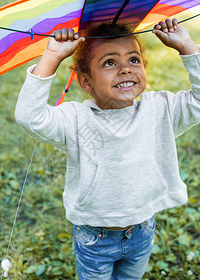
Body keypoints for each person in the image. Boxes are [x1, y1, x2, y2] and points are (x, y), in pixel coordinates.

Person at [15, 19, 200, 279]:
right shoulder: (75, 119)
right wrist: (52, 56)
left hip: (143, 230)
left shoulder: (161, 109)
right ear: (85, 81)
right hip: (95, 238)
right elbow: (29, 117)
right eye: (110, 63)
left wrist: (187, 46)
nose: (125, 69)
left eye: (134, 60)